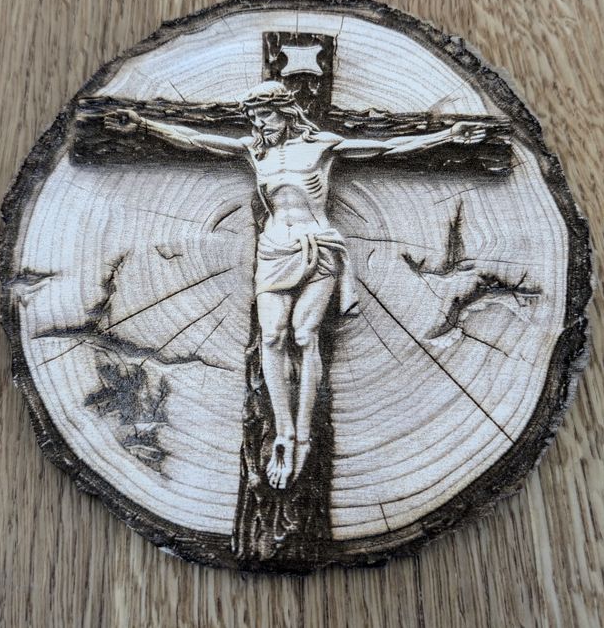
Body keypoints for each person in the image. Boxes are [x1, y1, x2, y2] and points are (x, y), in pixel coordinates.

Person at [104, 81, 486, 489]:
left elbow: (387, 147)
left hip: (318, 248)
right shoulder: (255, 150)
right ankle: (282, 434)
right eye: (254, 117)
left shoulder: (322, 146)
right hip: (273, 251)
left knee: (305, 336)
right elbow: (197, 139)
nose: (259, 124)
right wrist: (144, 124)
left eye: (265, 115)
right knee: (272, 337)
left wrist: (447, 135)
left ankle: (303, 435)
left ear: (285, 111)